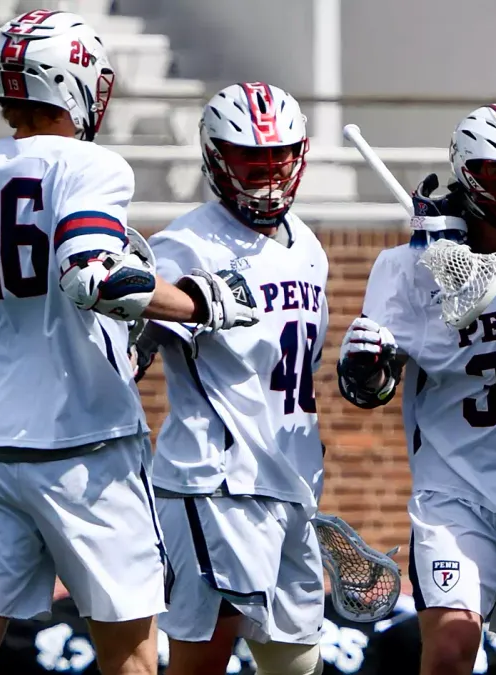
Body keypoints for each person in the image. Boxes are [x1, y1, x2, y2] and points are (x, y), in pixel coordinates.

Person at [0, 10, 256, 675]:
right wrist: (198, 300)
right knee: (130, 654)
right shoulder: (91, 166)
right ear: (75, 81)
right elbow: (94, 276)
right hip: (85, 451)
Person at [337, 102, 496, 675]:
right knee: (451, 649)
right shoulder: (409, 268)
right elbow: (370, 392)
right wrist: (364, 368)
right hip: (457, 494)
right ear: (469, 178)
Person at [138, 82, 330, 675]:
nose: (268, 174)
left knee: (297, 665)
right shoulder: (184, 243)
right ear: (218, 159)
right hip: (216, 485)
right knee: (204, 661)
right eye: (251, 160)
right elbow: (130, 339)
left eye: (279, 158)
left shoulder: (310, 247)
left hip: (290, 482)